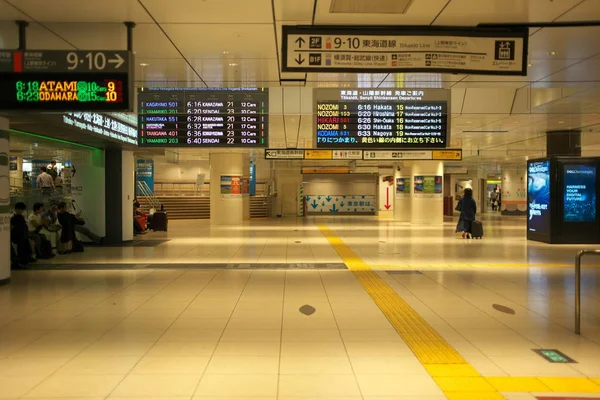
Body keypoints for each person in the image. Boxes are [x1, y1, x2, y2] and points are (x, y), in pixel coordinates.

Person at [10, 202, 34, 268]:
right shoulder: (12, 217)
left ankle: (26, 258)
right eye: (21, 210)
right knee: (22, 241)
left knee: (26, 240)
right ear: (17, 209)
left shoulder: (21, 217)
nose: (22, 211)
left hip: (21, 235)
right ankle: (22, 259)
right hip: (14, 236)